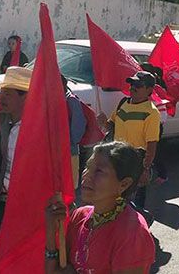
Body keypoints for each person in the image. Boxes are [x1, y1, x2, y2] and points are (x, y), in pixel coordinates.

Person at [44, 142, 155, 273]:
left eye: (99, 171)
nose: (86, 176)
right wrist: (51, 233)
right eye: (87, 167)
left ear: (124, 184)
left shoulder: (133, 234)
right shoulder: (79, 216)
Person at [98, 71, 161, 223]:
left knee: (132, 200)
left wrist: (145, 169)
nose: (133, 87)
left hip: (136, 162)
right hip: (117, 158)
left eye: (138, 85)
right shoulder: (123, 103)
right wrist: (102, 123)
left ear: (149, 90)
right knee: (118, 197)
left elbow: (152, 144)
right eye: (132, 84)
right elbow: (110, 127)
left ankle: (140, 225)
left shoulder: (151, 113)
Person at [0, 67, 32, 241]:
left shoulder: (36, 130)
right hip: (3, 199)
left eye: (7, 94)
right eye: (2, 92)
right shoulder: (4, 123)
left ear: (25, 96)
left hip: (25, 204)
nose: (1, 99)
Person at [62, 75, 87, 190]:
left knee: (68, 189)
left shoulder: (71, 101)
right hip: (55, 152)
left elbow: (78, 130)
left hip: (69, 152)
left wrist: (67, 142)